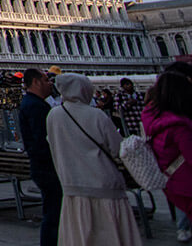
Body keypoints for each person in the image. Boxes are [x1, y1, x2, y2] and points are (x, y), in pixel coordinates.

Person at [46, 73, 142, 245]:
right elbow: (117, 149)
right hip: (103, 184)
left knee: (80, 235)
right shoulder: (97, 115)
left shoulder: (53, 115)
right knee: (110, 233)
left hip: (72, 186)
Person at [141, 64, 192, 241]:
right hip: (186, 182)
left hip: (173, 182)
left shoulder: (156, 118)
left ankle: (183, 228)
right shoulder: (179, 126)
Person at [20, 68, 62, 246]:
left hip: (41, 165)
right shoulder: (36, 106)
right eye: (46, 80)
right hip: (47, 167)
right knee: (54, 213)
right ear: (36, 82)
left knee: (53, 211)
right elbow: (42, 139)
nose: (50, 84)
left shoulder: (31, 103)